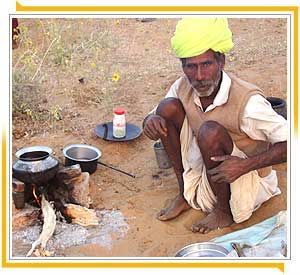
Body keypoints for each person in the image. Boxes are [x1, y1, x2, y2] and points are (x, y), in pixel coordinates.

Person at [143, 18, 287, 234]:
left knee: (210, 131)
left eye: (206, 65)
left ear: (221, 62)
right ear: (183, 66)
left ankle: (223, 211)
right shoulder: (183, 85)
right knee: (167, 109)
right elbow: (154, 116)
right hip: (208, 170)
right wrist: (149, 122)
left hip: (247, 182)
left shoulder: (248, 102)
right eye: (191, 66)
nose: (199, 77)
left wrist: (244, 166)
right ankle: (184, 194)